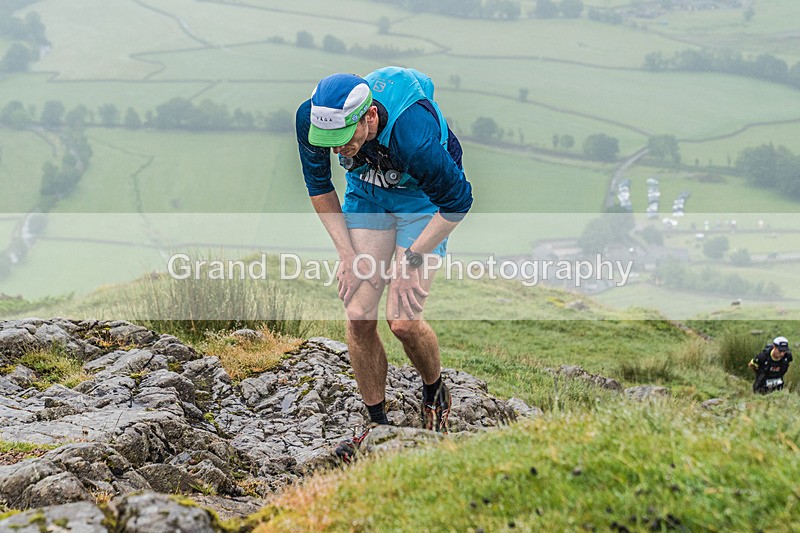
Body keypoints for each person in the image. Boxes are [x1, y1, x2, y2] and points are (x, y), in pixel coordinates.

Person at [295, 66, 473, 459]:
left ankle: (434, 392)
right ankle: (378, 425)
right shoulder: (312, 117)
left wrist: (411, 261)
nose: (337, 149)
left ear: (370, 117)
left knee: (404, 321)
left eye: (344, 140)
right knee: (358, 314)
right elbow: (319, 186)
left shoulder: (415, 140)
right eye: (330, 142)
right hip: (369, 194)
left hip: (423, 203)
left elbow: (458, 202)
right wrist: (347, 254)